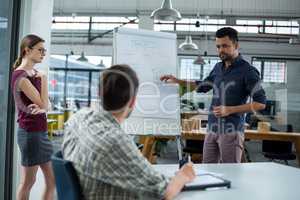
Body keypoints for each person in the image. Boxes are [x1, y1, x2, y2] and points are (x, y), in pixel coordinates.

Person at [62, 64, 195, 200]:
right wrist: (183, 175)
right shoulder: (115, 140)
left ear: (99, 94)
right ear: (132, 102)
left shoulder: (77, 119)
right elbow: (164, 192)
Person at [161, 27, 266, 163]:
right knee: (208, 169)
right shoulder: (218, 67)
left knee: (231, 172)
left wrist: (229, 110)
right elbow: (202, 86)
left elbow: (261, 103)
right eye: (218, 46)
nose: (220, 50)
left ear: (236, 45)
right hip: (211, 128)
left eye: (225, 46)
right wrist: (179, 81)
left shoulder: (248, 71)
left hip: (231, 130)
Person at [11, 34, 55, 200]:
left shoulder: (34, 73)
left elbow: (47, 105)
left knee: (52, 180)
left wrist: (44, 107)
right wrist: (43, 78)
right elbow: (44, 105)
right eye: (40, 50)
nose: (43, 53)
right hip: (31, 134)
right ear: (27, 51)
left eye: (45, 50)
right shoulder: (21, 76)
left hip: (40, 132)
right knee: (28, 183)